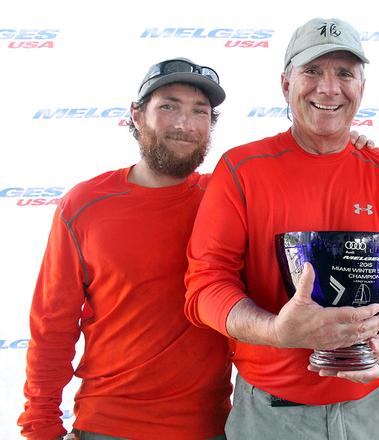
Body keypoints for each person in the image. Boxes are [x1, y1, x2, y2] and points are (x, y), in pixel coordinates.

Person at [184, 17, 379, 440]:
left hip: (375, 410)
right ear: (285, 84)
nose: (328, 87)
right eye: (312, 71)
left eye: (344, 73)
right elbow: (205, 286)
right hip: (270, 415)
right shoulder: (241, 170)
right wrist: (277, 332)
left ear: (361, 87)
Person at [17, 58, 234, 440]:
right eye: (168, 106)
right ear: (136, 115)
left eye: (199, 111)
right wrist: (40, 427)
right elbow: (52, 327)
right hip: (107, 426)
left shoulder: (227, 198)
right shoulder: (84, 205)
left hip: (210, 428)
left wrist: (350, 146)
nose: (184, 124)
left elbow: (301, 184)